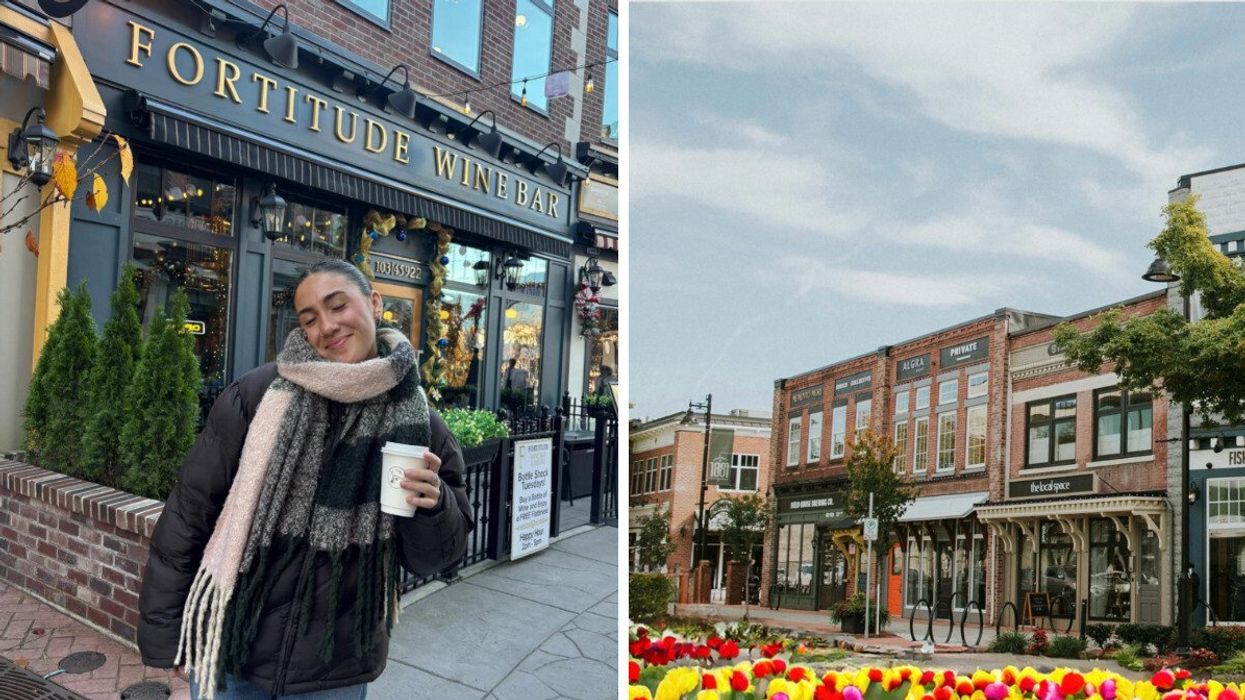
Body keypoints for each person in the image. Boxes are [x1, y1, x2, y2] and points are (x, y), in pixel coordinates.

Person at [137, 259, 473, 699]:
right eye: (309, 318)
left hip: (335, 667)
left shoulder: (418, 423)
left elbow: (438, 558)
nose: (327, 326)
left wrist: (436, 506)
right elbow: (188, 515)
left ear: (374, 302)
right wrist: (167, 635)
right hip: (233, 647)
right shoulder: (256, 396)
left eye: (338, 306)